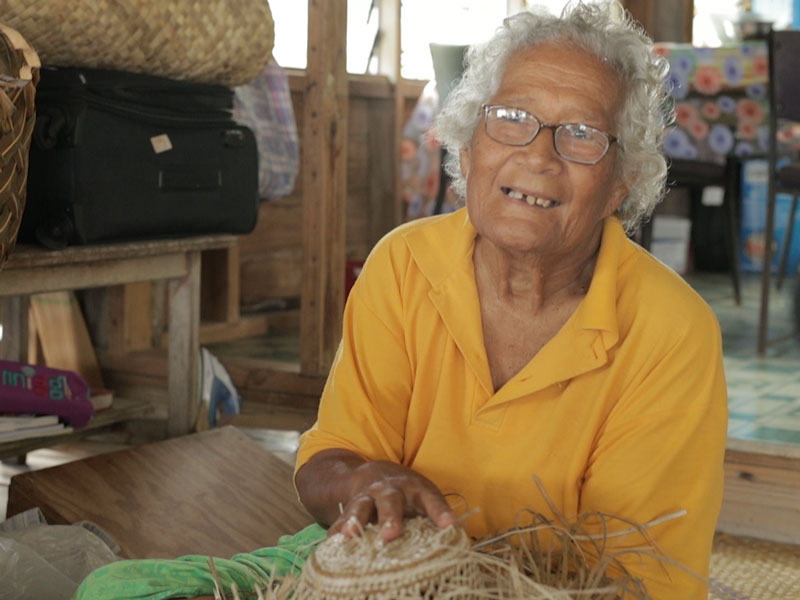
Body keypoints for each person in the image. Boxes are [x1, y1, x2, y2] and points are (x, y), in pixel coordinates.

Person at [294, 2, 727, 599]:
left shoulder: (670, 332)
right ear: (468, 149)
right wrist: (362, 480)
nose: (539, 156)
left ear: (619, 186)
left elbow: (641, 577)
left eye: (581, 134)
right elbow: (330, 457)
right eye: (511, 117)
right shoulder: (403, 266)